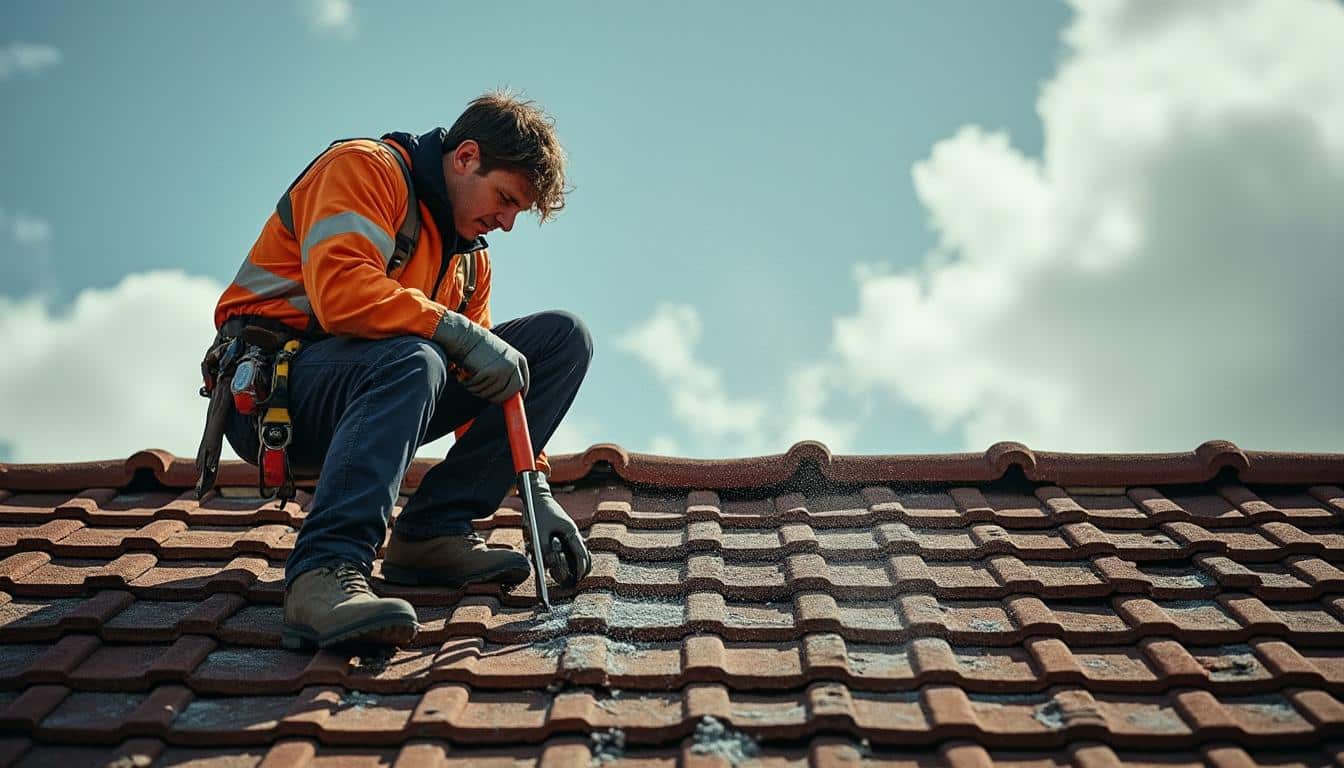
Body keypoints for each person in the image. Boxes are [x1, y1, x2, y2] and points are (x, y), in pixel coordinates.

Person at [203, 91, 593, 650]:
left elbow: (489, 387)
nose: (506, 223)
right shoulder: (363, 169)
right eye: (505, 198)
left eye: (517, 212)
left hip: (384, 388)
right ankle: (323, 574)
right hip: (275, 398)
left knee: (561, 339)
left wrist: (535, 488)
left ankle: (432, 531)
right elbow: (341, 295)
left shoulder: (469, 259)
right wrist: (456, 332)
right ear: (465, 157)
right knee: (419, 355)